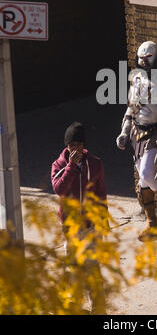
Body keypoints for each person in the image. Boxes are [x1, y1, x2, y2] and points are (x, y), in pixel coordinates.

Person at [116, 41, 157, 241]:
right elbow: (131, 108)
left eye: (148, 58)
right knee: (144, 180)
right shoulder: (136, 78)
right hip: (137, 133)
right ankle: (153, 222)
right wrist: (124, 132)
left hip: (155, 131)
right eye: (141, 58)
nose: (144, 62)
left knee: (145, 174)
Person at [51, 122, 107, 313]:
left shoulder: (95, 163)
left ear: (84, 146)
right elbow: (59, 189)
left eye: (78, 145)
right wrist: (71, 166)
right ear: (67, 147)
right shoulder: (58, 165)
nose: (75, 149)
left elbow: (100, 194)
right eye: (71, 145)